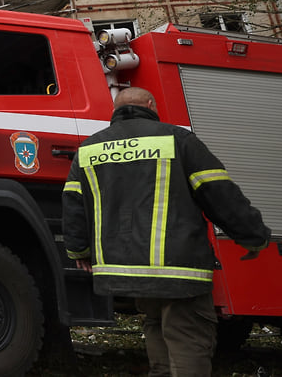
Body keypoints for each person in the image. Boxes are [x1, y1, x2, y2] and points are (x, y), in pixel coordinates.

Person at [62, 87, 269, 377]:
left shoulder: (89, 149)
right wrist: (253, 236)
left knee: (155, 323)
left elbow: (74, 205)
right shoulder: (178, 140)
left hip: (124, 268)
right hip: (177, 268)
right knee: (188, 333)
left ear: (115, 111)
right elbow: (220, 194)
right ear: (150, 105)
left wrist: (79, 251)